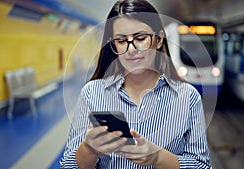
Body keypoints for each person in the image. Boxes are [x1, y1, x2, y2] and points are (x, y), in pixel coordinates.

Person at [60, 0, 211, 168]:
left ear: (159, 39)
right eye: (121, 41)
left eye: (140, 38)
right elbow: (68, 165)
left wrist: (158, 157)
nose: (131, 49)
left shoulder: (188, 97)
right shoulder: (92, 93)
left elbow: (201, 165)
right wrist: (89, 149)